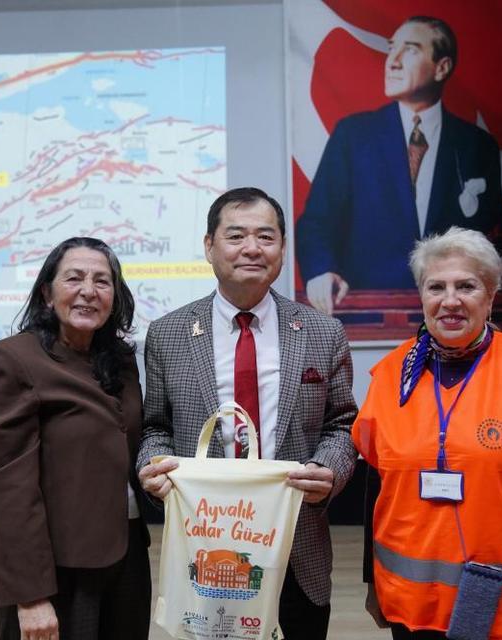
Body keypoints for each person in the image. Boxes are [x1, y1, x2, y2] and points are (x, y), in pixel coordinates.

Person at [137, 187, 359, 639]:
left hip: (295, 544)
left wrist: (329, 471)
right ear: (209, 246)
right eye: (236, 236)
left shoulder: (323, 331)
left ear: (282, 248)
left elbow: (342, 424)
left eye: (266, 236)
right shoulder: (168, 333)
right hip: (206, 548)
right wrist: (152, 466)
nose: (252, 248)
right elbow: (155, 428)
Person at [353, 227, 502, 639]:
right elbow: (377, 487)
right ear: (422, 296)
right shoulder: (390, 376)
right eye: (436, 287)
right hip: (411, 606)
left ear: (490, 296)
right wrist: (373, 582)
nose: (450, 300)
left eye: (466, 286)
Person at [0, 237, 150, 640]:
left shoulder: (120, 360)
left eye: (102, 281)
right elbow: (8, 491)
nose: (89, 291)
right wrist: (30, 596)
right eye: (74, 278)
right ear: (47, 294)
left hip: (126, 558)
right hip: (56, 570)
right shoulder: (14, 361)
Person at [296, 15, 502, 315]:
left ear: (442, 67)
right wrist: (321, 271)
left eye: (410, 49)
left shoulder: (477, 145)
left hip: (452, 310)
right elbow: (316, 222)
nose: (393, 61)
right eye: (391, 48)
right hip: (368, 312)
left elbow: (493, 234)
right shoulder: (353, 136)